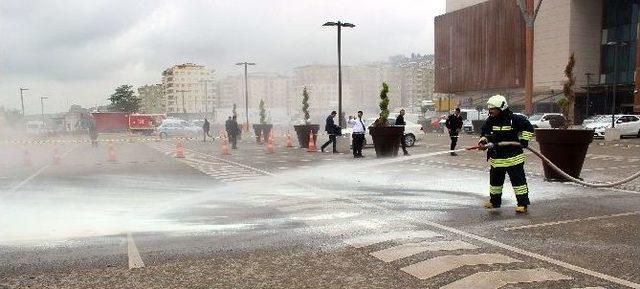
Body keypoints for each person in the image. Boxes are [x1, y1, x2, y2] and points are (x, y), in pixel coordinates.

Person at [477, 95, 534, 214]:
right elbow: (485, 133)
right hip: (497, 158)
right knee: (495, 183)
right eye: (490, 109)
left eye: (493, 109)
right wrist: (483, 142)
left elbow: (528, 128)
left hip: (513, 158)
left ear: (502, 108)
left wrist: (524, 140)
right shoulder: (491, 120)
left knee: (519, 183)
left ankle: (523, 204)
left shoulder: (515, 119)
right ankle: (494, 202)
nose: (491, 111)